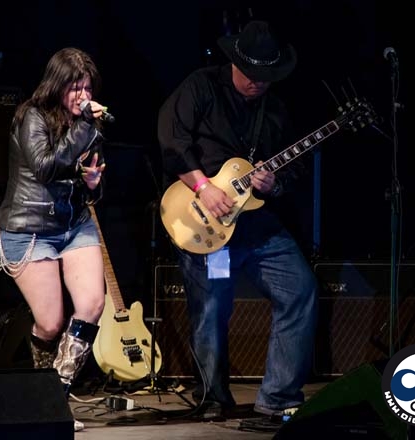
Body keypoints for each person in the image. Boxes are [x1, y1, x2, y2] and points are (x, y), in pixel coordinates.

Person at [157, 20, 318, 419]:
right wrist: (202, 188)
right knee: (211, 307)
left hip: (259, 227)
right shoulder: (201, 87)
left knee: (300, 289)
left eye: (266, 77)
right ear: (234, 61)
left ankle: (278, 397)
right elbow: (171, 138)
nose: (258, 83)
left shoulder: (276, 109)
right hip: (208, 227)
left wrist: (273, 183)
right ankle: (213, 396)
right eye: (251, 75)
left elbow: (295, 173)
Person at [0, 47, 107, 431]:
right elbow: (44, 167)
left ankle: (54, 400)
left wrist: (93, 184)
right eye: (75, 87)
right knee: (50, 322)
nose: (83, 96)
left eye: (87, 87)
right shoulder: (33, 116)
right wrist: (85, 129)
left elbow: (89, 184)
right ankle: (36, 394)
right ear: (58, 85)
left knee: (92, 304)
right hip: (29, 226)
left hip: (74, 223)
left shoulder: (87, 126)